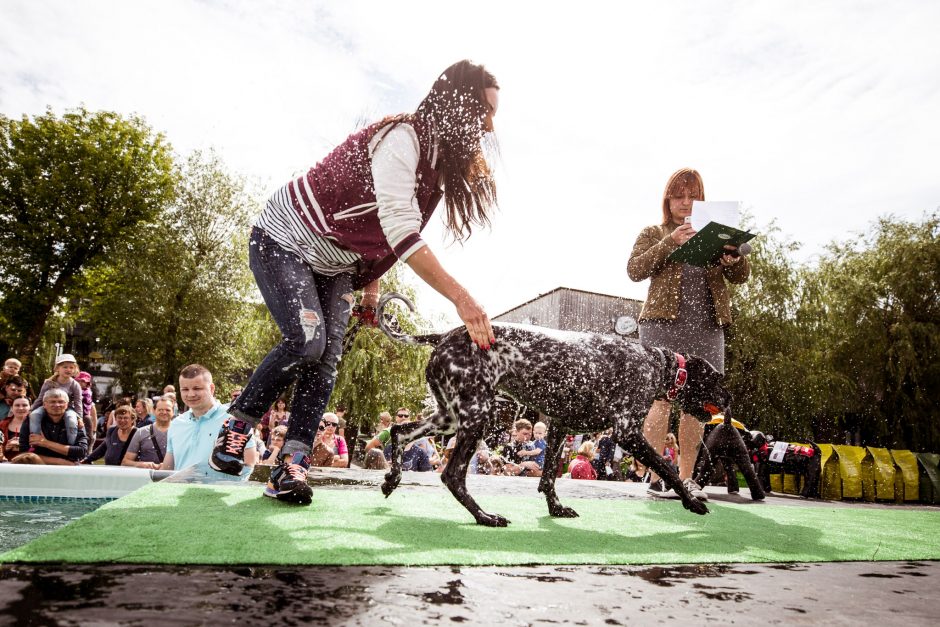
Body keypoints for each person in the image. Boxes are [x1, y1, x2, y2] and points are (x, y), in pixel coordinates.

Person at [220, 60, 501, 504]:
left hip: (337, 264)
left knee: (326, 360)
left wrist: (370, 289)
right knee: (308, 341)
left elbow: (384, 236)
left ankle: (290, 466)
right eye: (483, 111)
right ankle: (238, 423)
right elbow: (401, 231)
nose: (488, 124)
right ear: (457, 104)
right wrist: (462, 300)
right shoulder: (403, 139)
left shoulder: (437, 160)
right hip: (285, 239)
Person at [627, 168, 750, 500]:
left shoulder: (716, 232)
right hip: (662, 324)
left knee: (698, 405)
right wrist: (670, 242)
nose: (685, 202)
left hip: (708, 326)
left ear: (701, 199)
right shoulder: (654, 231)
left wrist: (731, 257)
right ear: (668, 199)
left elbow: (741, 274)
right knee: (661, 398)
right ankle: (657, 476)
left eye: (692, 196)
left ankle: (686, 479)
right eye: (678, 196)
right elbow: (634, 270)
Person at [161, 364, 258, 477]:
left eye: (197, 388)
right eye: (185, 389)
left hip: (218, 492)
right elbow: (167, 468)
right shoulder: (176, 424)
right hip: (178, 492)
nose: (191, 394)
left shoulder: (234, 420)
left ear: (211, 388)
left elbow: (249, 464)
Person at [19, 388, 88, 465]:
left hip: (69, 469)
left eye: (61, 402)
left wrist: (45, 443)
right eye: (52, 402)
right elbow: (24, 451)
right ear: (44, 404)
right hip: (40, 467)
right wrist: (60, 462)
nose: (57, 405)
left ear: (67, 404)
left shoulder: (76, 422)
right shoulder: (31, 421)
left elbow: (81, 451)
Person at [123, 398, 173, 469]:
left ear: (173, 412)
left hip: (173, 478)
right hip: (147, 477)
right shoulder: (141, 432)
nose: (164, 412)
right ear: (154, 410)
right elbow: (125, 462)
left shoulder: (181, 432)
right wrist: (142, 464)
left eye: (168, 410)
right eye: (160, 410)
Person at [0, 396, 30, 460]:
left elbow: (39, 449)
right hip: (6, 465)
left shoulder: (37, 425)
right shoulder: (2, 425)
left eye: (24, 405)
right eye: (17, 405)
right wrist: (5, 448)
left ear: (30, 407)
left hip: (29, 464)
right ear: (12, 408)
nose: (21, 408)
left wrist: (24, 446)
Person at [75, 371, 98, 451]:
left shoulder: (87, 394)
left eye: (83, 381)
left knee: (89, 437)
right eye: (79, 381)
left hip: (84, 417)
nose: (80, 383)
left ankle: (87, 452)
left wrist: (94, 429)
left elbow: (93, 415)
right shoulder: (73, 390)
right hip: (76, 416)